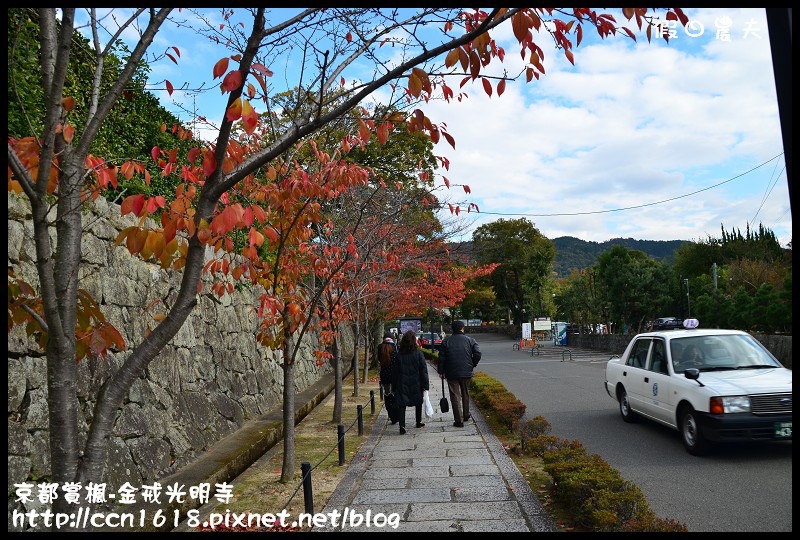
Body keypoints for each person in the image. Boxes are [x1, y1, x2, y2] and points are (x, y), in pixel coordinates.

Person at [438, 320, 482, 427]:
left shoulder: (446, 342)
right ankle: (466, 415)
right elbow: (478, 353)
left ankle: (459, 420)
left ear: (452, 329)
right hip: (466, 370)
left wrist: (441, 371)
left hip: (451, 372)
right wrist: (473, 364)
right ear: (462, 328)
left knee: (455, 395)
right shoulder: (470, 340)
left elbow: (442, 358)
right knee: (465, 393)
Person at [391, 330, 430, 434]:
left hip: (402, 382)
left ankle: (402, 425)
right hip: (416, 381)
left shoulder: (399, 355)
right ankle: (418, 421)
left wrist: (393, 386)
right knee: (418, 402)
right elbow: (423, 370)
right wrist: (425, 385)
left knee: (401, 404)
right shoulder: (419, 354)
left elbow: (395, 372)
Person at [376, 332, 398, 401]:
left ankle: (388, 406)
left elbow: (379, 359)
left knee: (386, 392)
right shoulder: (395, 347)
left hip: (384, 373)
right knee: (394, 392)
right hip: (394, 373)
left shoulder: (380, 347)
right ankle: (394, 406)